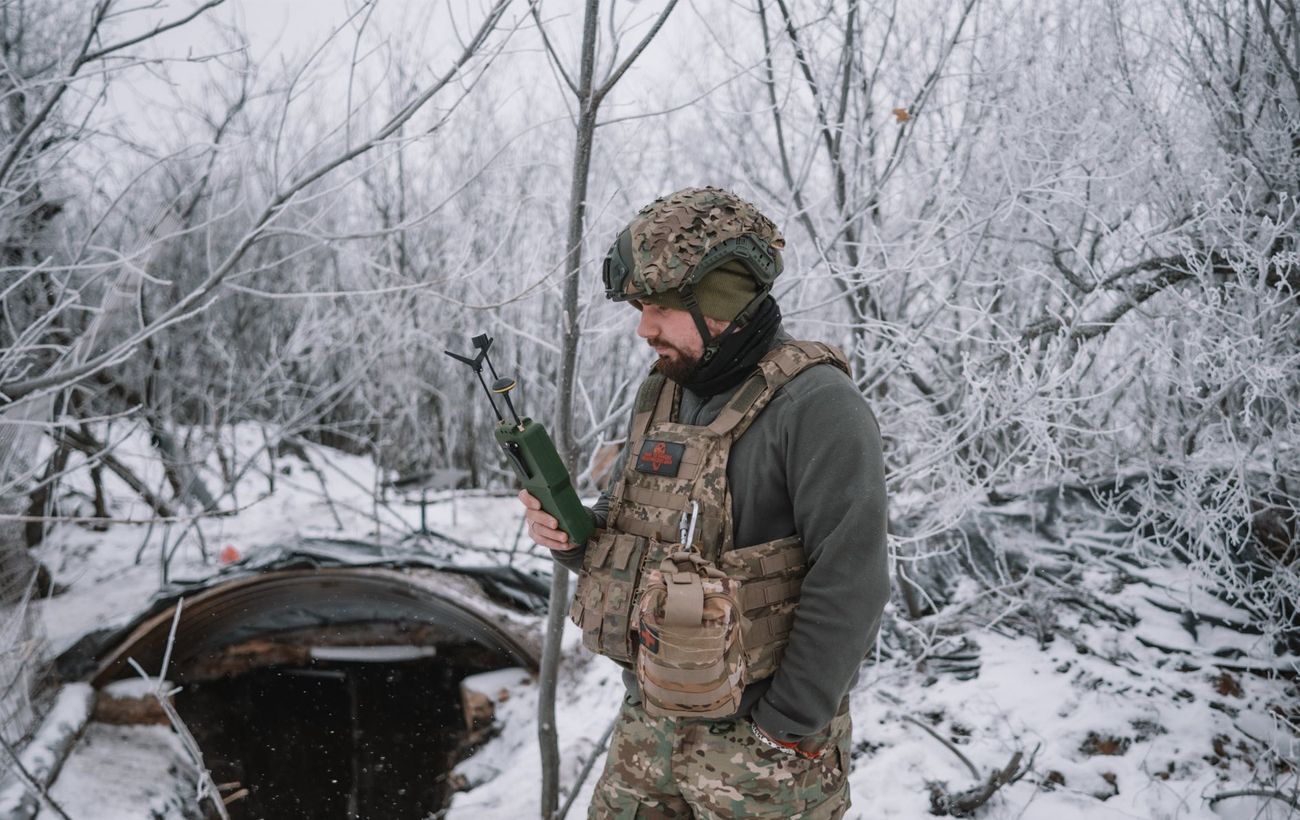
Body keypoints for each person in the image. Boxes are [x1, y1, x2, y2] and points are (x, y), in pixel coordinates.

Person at [519, 186, 889, 819]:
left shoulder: (818, 405)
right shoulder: (662, 394)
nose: (644, 329)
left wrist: (786, 725)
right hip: (648, 727)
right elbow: (627, 527)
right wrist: (576, 536)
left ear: (723, 299)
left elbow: (852, 579)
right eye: (639, 307)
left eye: (660, 307)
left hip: (764, 748)